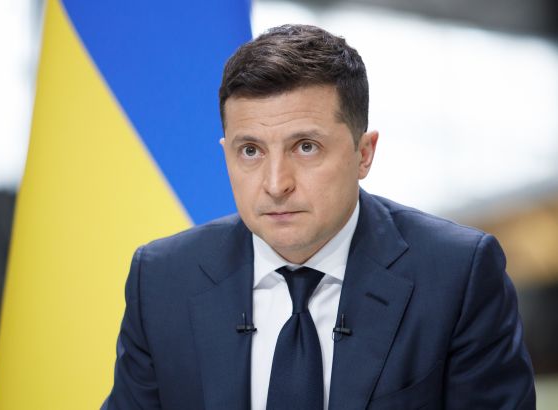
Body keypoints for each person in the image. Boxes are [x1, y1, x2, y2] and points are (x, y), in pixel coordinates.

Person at [102, 24, 535, 409]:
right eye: (250, 151)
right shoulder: (162, 280)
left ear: (363, 154)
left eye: (306, 147)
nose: (276, 184)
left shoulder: (457, 276)